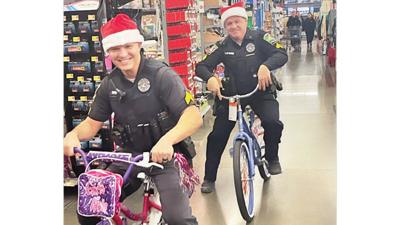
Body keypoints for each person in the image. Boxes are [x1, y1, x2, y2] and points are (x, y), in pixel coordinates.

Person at [63, 13, 202, 225]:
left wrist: (167, 141)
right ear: (108, 52)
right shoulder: (109, 85)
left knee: (178, 218)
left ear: (139, 44)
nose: (123, 53)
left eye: (128, 46)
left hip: (166, 158)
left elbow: (192, 116)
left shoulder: (162, 75)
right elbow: (92, 124)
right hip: (128, 157)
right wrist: (72, 135)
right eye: (115, 49)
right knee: (91, 207)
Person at [195, 2, 288, 193]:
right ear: (225, 27)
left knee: (273, 122)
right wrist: (210, 78)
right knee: (217, 136)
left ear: (245, 21)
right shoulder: (222, 46)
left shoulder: (261, 37)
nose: (234, 26)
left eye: (237, 22)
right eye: (229, 24)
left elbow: (281, 53)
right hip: (232, 96)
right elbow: (201, 66)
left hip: (260, 92)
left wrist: (266, 66)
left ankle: (272, 158)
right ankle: (209, 178)